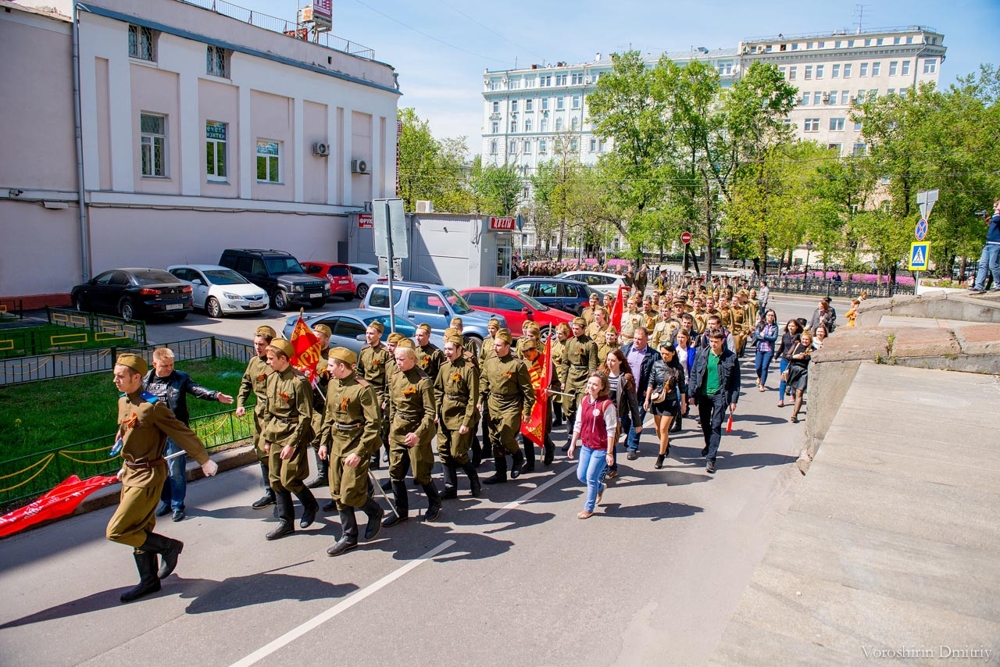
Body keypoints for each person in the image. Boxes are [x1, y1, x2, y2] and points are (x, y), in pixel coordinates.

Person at [108, 354, 219, 603]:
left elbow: (181, 431)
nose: (115, 380)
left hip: (147, 476)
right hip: (132, 471)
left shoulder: (153, 406)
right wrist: (126, 462)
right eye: (115, 375)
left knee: (117, 530)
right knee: (139, 528)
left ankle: (169, 547)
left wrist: (204, 459)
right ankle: (149, 580)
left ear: (136, 377)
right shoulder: (123, 401)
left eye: (120, 376)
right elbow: (126, 433)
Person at [144, 347, 232, 523]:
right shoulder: (145, 380)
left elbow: (197, 389)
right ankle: (166, 501)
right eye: (164, 366)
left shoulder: (180, 377)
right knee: (159, 470)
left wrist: (215, 395)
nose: (169, 369)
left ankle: (177, 505)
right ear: (154, 364)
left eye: (171, 365)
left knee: (176, 469)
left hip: (175, 431)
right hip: (153, 434)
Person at [317, 347, 385, 556]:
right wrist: (323, 442)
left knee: (350, 492)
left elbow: (374, 424)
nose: (327, 369)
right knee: (337, 492)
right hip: (337, 443)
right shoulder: (332, 384)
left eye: (331, 365)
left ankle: (375, 511)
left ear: (342, 367)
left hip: (356, 444)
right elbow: (328, 415)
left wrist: (360, 452)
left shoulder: (363, 389)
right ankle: (349, 536)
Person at [260, 338, 320, 540]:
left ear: (283, 358)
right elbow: (268, 410)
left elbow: (305, 416)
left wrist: (292, 444)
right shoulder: (272, 377)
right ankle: (286, 523)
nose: (268, 362)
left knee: (290, 479)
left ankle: (310, 504)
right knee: (275, 480)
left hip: (293, 433)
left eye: (271, 358)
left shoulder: (298, 381)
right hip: (275, 433)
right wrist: (267, 438)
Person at [382, 339, 442, 525]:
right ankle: (401, 511)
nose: (397, 362)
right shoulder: (394, 377)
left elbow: (430, 413)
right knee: (396, 472)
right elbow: (392, 405)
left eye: (401, 359)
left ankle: (434, 503)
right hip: (399, 430)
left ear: (412, 359)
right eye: (396, 359)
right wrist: (392, 433)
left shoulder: (423, 382)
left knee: (420, 474)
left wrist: (418, 434)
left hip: (417, 432)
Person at [481, 329, 535, 483]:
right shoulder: (490, 360)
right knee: (495, 440)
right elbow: (484, 378)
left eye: (498, 345)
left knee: (506, 437)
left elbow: (527, 390)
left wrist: (527, 410)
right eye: (494, 345)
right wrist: (480, 399)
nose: (494, 348)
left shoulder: (517, 365)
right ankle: (500, 473)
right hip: (493, 403)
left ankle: (518, 456)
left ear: (507, 346)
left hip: (511, 404)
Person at [433, 334, 482, 498]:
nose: (447, 352)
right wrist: (436, 411)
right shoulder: (444, 366)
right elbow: (438, 390)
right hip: (445, 414)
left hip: (461, 415)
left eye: (450, 349)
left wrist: (467, 422)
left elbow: (473, 398)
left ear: (460, 349)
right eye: (445, 348)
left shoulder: (469, 369)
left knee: (458, 453)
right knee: (443, 451)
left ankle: (473, 478)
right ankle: (450, 488)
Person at [235, 325, 278, 510]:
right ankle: (271, 492)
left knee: (272, 453)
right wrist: (240, 403)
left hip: (273, 413)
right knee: (261, 453)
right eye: (255, 343)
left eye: (261, 344)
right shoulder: (253, 362)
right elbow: (245, 383)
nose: (258, 347)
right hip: (258, 412)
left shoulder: (274, 365)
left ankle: (280, 489)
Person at [687, 330, 741, 474]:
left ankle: (711, 458)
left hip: (720, 395)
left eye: (716, 342)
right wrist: (691, 393)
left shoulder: (731, 357)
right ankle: (708, 445)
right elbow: (694, 374)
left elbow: (736, 380)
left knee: (716, 425)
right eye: (711, 341)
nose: (713, 344)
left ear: (722, 341)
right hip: (704, 395)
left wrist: (733, 400)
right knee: (705, 424)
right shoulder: (702, 354)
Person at [567, 372, 617, 519]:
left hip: (600, 448)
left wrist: (609, 453)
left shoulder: (606, 405)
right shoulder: (584, 401)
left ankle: (588, 509)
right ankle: (600, 487)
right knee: (581, 475)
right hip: (586, 446)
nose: (591, 386)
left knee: (590, 477)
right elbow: (578, 424)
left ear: (602, 387)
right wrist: (572, 444)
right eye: (590, 383)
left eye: (595, 384)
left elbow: (611, 429)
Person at [620, 327, 660, 461]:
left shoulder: (654, 355)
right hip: (625, 392)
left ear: (646, 339)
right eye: (635, 338)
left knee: (637, 420)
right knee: (622, 417)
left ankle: (632, 447)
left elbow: (656, 375)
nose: (636, 341)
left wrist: (651, 389)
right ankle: (629, 432)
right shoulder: (625, 350)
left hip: (642, 393)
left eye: (640, 339)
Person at [357, 320, 392, 472]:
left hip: (379, 392)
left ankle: (388, 453)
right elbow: (359, 372)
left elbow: (388, 378)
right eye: (367, 333)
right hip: (367, 391)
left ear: (379, 334)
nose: (368, 336)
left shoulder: (385, 353)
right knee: (367, 426)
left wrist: (385, 398)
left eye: (372, 333)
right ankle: (373, 458)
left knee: (380, 427)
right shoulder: (364, 350)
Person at [559, 317, 599, 451]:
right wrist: (563, 381)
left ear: (583, 329)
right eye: (573, 328)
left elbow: (592, 365)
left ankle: (584, 437)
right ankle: (570, 437)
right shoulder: (569, 343)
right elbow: (565, 363)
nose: (575, 331)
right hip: (571, 377)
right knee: (568, 408)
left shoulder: (590, 344)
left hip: (583, 379)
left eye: (577, 329)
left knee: (581, 409)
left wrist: (590, 383)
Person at [601, 348, 640, 480]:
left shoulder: (625, 378)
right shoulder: (602, 375)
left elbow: (633, 402)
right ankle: (607, 466)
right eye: (608, 360)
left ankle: (612, 468)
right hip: (602, 413)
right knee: (603, 441)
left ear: (620, 361)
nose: (610, 363)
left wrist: (637, 423)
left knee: (610, 441)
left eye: (613, 360)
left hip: (617, 414)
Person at [518, 337, 556, 471]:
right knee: (527, 431)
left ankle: (549, 446)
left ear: (534, 350)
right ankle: (530, 462)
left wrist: (551, 390)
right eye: (524, 355)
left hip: (542, 401)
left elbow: (555, 383)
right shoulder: (524, 364)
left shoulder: (546, 363)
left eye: (528, 354)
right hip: (528, 401)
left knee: (540, 429)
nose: (526, 357)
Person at [647, 342, 686, 468]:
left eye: (667, 354)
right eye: (662, 353)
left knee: (664, 429)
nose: (664, 356)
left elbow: (682, 387)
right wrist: (647, 399)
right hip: (657, 400)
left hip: (671, 401)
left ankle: (661, 455)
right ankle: (665, 444)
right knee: (658, 429)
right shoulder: (657, 365)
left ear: (673, 353)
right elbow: (651, 382)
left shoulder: (677, 368)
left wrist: (683, 403)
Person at [970, 200, 1000, 294]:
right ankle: (979, 286)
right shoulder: (996, 217)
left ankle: (998, 285)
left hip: (996, 244)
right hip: (988, 244)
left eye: (995, 206)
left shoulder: (998, 216)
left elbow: (996, 219)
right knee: (983, 264)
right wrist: (986, 218)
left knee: (993, 265)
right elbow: (991, 224)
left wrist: (997, 211)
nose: (994, 208)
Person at [785, 332, 813, 423]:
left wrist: (804, 357)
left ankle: (794, 414)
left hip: (804, 372)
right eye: (803, 339)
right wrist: (795, 356)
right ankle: (796, 404)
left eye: (807, 340)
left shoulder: (812, 349)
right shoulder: (797, 345)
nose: (805, 341)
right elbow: (787, 356)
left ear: (810, 341)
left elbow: (809, 359)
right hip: (794, 370)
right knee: (794, 391)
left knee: (799, 392)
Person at [775, 319, 802, 408]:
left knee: (793, 379)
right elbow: (782, 347)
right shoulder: (785, 336)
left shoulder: (799, 336)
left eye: (793, 326)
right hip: (785, 359)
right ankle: (781, 399)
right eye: (789, 326)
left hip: (794, 360)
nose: (791, 328)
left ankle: (792, 394)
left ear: (797, 327)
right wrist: (776, 356)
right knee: (783, 378)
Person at [751, 309, 779, 392]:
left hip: (769, 349)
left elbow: (774, 338)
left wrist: (764, 336)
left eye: (772, 315)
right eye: (769, 315)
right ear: (766, 316)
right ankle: (759, 377)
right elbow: (756, 334)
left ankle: (762, 384)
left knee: (764, 367)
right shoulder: (761, 324)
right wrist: (762, 336)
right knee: (758, 367)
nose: (770, 317)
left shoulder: (775, 327)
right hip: (760, 348)